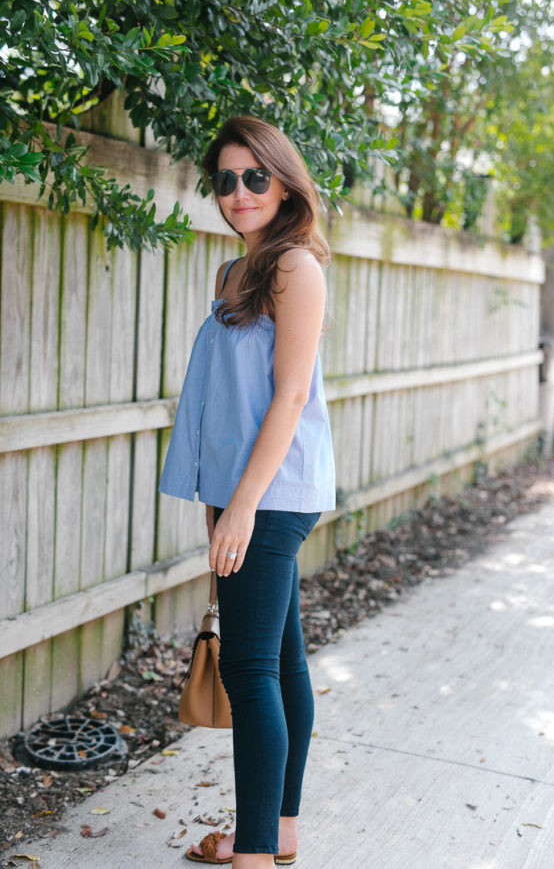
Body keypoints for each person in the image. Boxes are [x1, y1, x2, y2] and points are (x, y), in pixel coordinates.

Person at [158, 115, 335, 868]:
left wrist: (241, 505)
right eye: (226, 180)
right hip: (243, 492)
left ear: (284, 180)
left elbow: (289, 397)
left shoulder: (296, 268)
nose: (239, 192)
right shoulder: (238, 273)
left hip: (272, 492)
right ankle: (280, 831)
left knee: (250, 668)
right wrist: (214, 499)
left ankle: (255, 853)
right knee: (283, 660)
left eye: (254, 176)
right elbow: (221, 402)